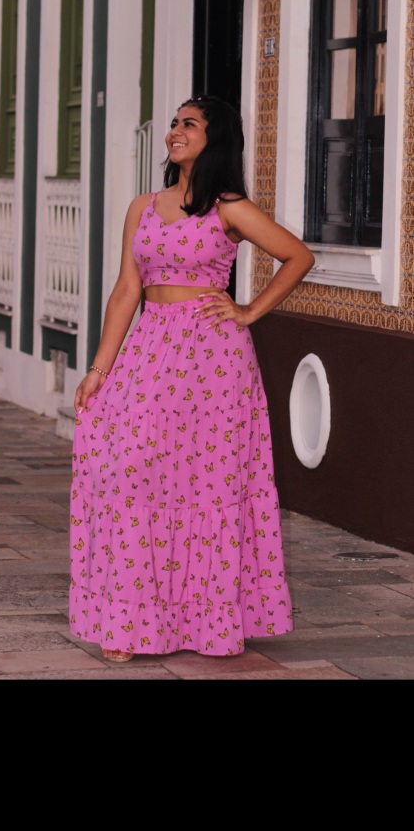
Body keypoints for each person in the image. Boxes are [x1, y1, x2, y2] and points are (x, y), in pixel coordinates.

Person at [69, 94, 315, 662]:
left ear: (214, 138)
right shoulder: (143, 207)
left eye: (189, 124)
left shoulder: (229, 208)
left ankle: (206, 622)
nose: (175, 131)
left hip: (212, 360)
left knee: (205, 485)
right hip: (149, 347)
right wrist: (99, 369)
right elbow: (127, 290)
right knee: (128, 471)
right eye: (174, 123)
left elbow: (298, 257)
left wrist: (248, 311)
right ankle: (130, 622)